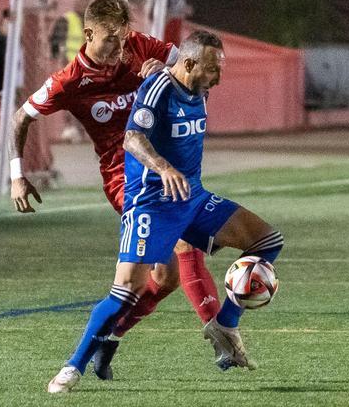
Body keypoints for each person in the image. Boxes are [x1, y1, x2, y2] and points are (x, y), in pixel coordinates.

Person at [47, 30, 285, 393]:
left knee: (268, 240)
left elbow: (172, 60)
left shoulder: (196, 85)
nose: (217, 78)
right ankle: (71, 367)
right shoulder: (158, 89)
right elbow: (132, 138)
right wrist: (162, 166)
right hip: (152, 203)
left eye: (219, 69)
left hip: (193, 199)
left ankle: (225, 323)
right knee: (126, 290)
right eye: (211, 69)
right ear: (189, 65)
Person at [8, 0, 221, 381]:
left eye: (124, 39)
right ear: (88, 34)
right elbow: (20, 117)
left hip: (165, 163)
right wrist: (16, 175)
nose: (121, 49)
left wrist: (168, 69)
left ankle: (111, 336)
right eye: (111, 40)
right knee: (182, 242)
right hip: (124, 177)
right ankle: (221, 333)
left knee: (168, 277)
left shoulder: (139, 45)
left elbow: (192, 67)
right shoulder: (68, 82)